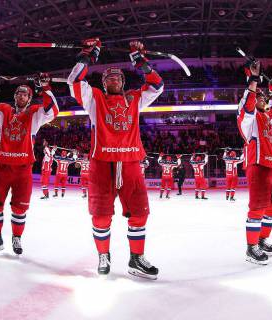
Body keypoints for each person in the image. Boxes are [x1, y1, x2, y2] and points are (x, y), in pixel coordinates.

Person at [68, 38, 163, 279]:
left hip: (131, 163)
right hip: (101, 164)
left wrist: (140, 62)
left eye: (118, 78)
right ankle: (104, 255)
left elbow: (157, 85)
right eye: (109, 78)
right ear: (102, 83)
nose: (114, 80)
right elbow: (75, 81)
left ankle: (136, 258)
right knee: (101, 215)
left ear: (123, 82)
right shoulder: (95, 99)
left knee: (140, 212)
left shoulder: (134, 98)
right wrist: (88, 54)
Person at [0, 71, 59, 255]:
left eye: (25, 93)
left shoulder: (35, 113)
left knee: (19, 208)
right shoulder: (4, 111)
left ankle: (16, 238)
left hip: (23, 169)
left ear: (30, 98)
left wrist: (45, 88)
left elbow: (53, 111)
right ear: (14, 96)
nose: (21, 95)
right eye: (18, 92)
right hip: (2, 167)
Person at [237, 60, 272, 265]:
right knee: (257, 207)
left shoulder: (265, 116)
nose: (263, 99)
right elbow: (248, 105)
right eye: (260, 97)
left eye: (264, 98)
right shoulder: (249, 118)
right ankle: (251, 247)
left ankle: (262, 240)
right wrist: (253, 80)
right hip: (258, 165)